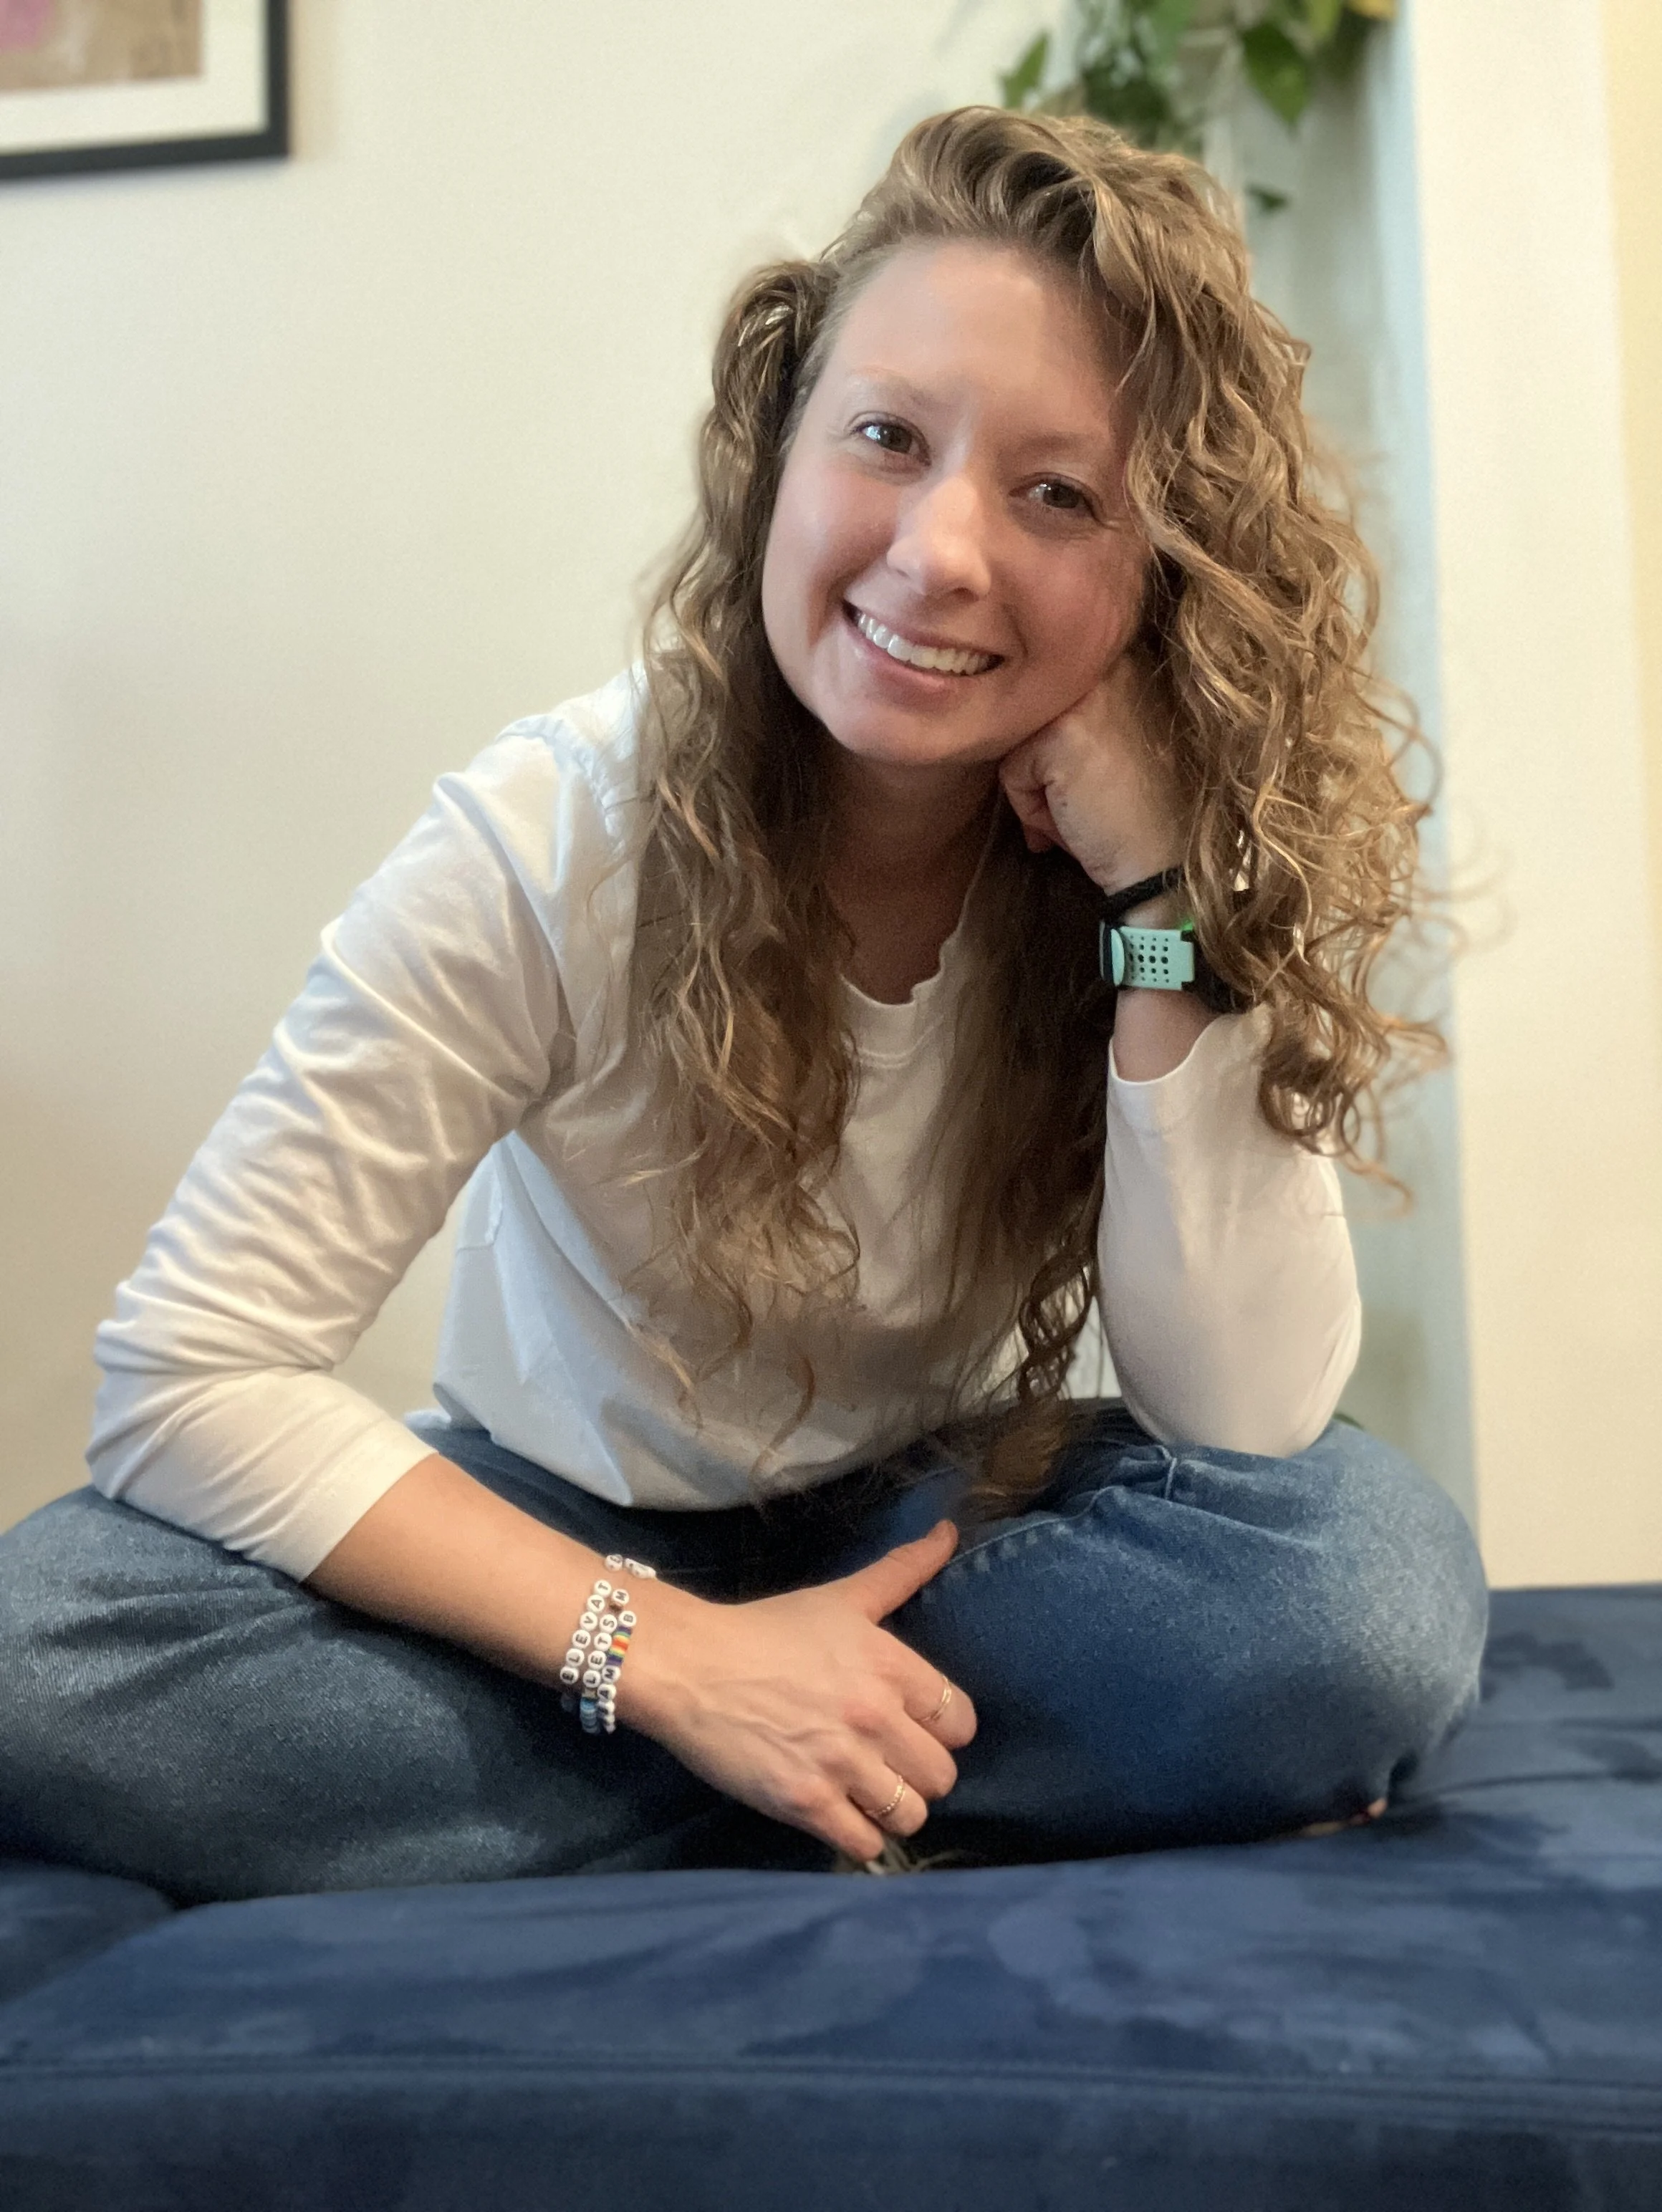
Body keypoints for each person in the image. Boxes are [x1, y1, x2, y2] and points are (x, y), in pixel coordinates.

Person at [0, 107, 1487, 1904]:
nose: (941, 551)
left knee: (1362, 1597)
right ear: (775, 459)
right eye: (884, 438)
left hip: (939, 1538)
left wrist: (1158, 900)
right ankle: (833, 1760)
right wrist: (677, 1664)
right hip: (566, 1553)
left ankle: (785, 1747)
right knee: (46, 1645)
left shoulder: (1141, 865)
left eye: (1056, 492)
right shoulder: (552, 833)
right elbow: (188, 1368)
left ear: (1159, 569)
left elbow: (1242, 1413)